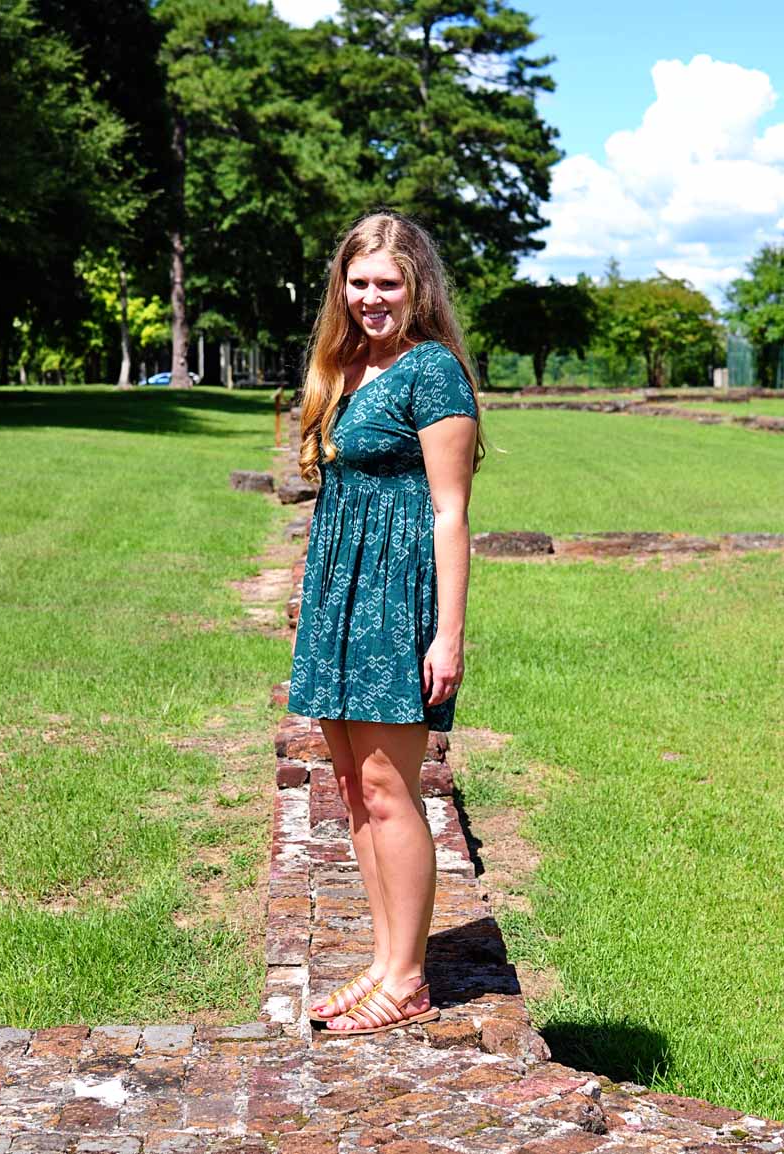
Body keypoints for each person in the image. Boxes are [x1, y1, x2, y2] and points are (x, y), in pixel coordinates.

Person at [287, 210, 484, 1035]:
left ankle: (406, 981)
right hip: (341, 592)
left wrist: (448, 634)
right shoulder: (344, 367)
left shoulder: (431, 371)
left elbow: (450, 513)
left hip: (396, 597)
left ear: (417, 287)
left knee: (387, 787)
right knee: (351, 787)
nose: (372, 297)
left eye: (388, 283)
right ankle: (383, 961)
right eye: (359, 282)